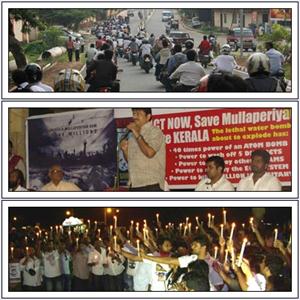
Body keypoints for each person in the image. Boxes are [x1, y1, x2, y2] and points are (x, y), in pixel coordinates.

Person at [120, 108, 166, 191]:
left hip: (151, 185)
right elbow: (131, 161)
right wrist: (125, 151)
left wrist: (137, 134)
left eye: (139, 114)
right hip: (134, 185)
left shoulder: (155, 131)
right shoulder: (133, 136)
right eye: (134, 114)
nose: (135, 117)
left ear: (148, 117)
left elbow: (150, 153)